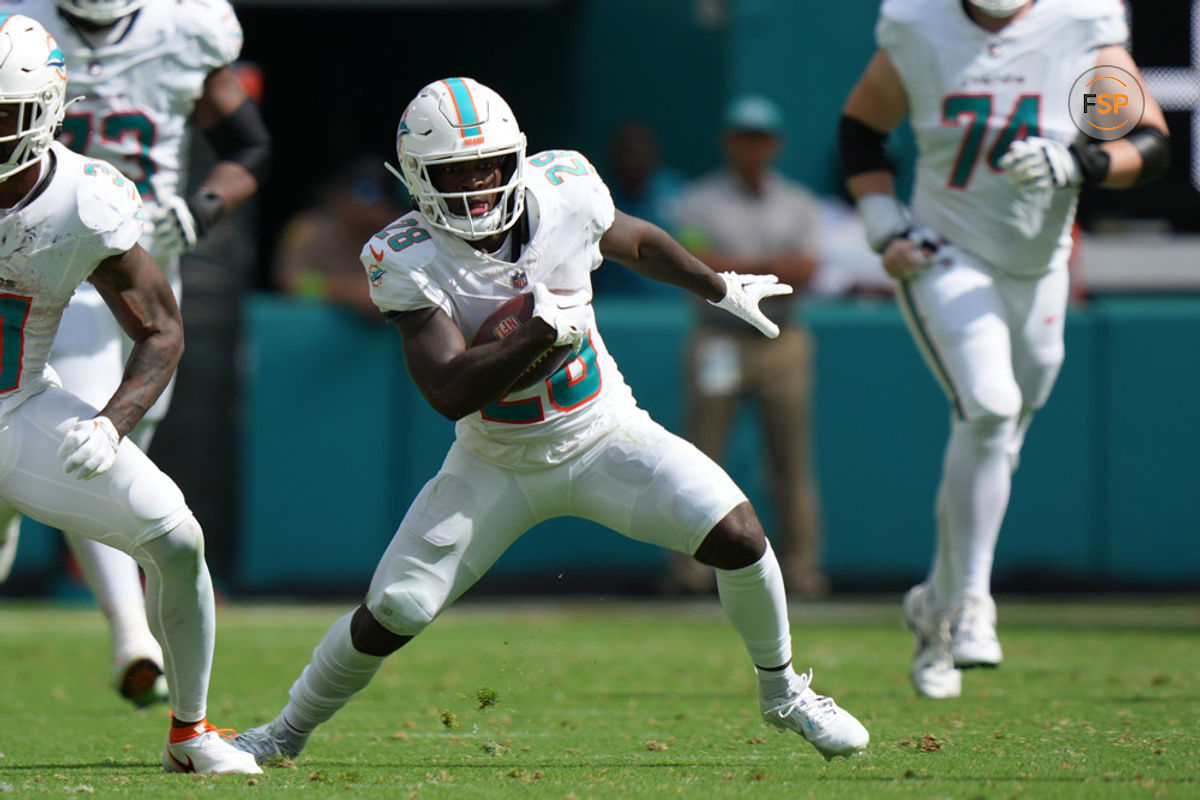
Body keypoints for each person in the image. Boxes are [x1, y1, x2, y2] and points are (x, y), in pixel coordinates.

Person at [231, 77, 868, 765]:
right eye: (453, 172)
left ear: (516, 159)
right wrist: (539, 334)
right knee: (398, 609)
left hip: (604, 432)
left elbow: (639, 242)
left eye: (487, 166)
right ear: (418, 177)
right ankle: (283, 733)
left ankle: (784, 694)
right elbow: (448, 390)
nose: (475, 185)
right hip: (496, 461)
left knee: (739, 534)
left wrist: (717, 285)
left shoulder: (565, 188)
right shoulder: (402, 256)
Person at [839, 0, 1169, 698]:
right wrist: (881, 224)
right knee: (988, 407)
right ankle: (972, 602)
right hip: (945, 254)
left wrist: (1078, 160)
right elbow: (861, 132)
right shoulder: (918, 23)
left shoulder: (1081, 23)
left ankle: (935, 608)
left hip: (1039, 266)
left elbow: (1150, 142)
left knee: (997, 434)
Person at [0, 14, 259, 774]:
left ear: (46, 110)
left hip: (15, 406)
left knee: (177, 539)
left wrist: (113, 423)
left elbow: (162, 329)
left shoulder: (82, 199)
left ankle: (191, 733)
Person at [666, 94, 828, 597]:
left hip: (779, 338)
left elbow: (807, 270)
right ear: (727, 142)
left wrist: (734, 270)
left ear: (774, 144)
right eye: (742, 137)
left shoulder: (798, 202)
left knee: (790, 461)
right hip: (720, 337)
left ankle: (801, 572)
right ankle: (689, 572)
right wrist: (765, 268)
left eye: (759, 137)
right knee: (699, 459)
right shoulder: (698, 200)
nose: (750, 147)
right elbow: (692, 260)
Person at [273, 156, 402, 317]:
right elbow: (290, 283)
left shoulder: (400, 233)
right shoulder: (309, 229)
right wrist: (346, 291)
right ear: (340, 195)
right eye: (365, 193)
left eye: (384, 196)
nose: (374, 207)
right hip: (317, 332)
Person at [591, 121, 684, 297]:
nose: (633, 160)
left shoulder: (676, 191)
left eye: (640, 150)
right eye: (627, 151)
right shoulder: (596, 197)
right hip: (612, 306)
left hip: (673, 308)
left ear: (653, 153)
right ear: (613, 155)